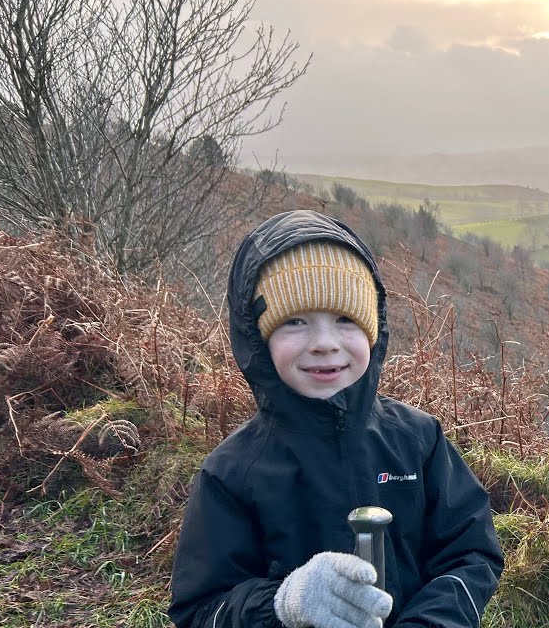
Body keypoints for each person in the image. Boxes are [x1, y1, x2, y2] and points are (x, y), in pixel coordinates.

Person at [169, 209, 503, 628]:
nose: (324, 344)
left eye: (345, 319)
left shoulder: (418, 440)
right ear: (257, 335)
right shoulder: (231, 473)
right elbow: (199, 610)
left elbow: (472, 554)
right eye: (295, 321)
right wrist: (283, 603)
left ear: (373, 329)